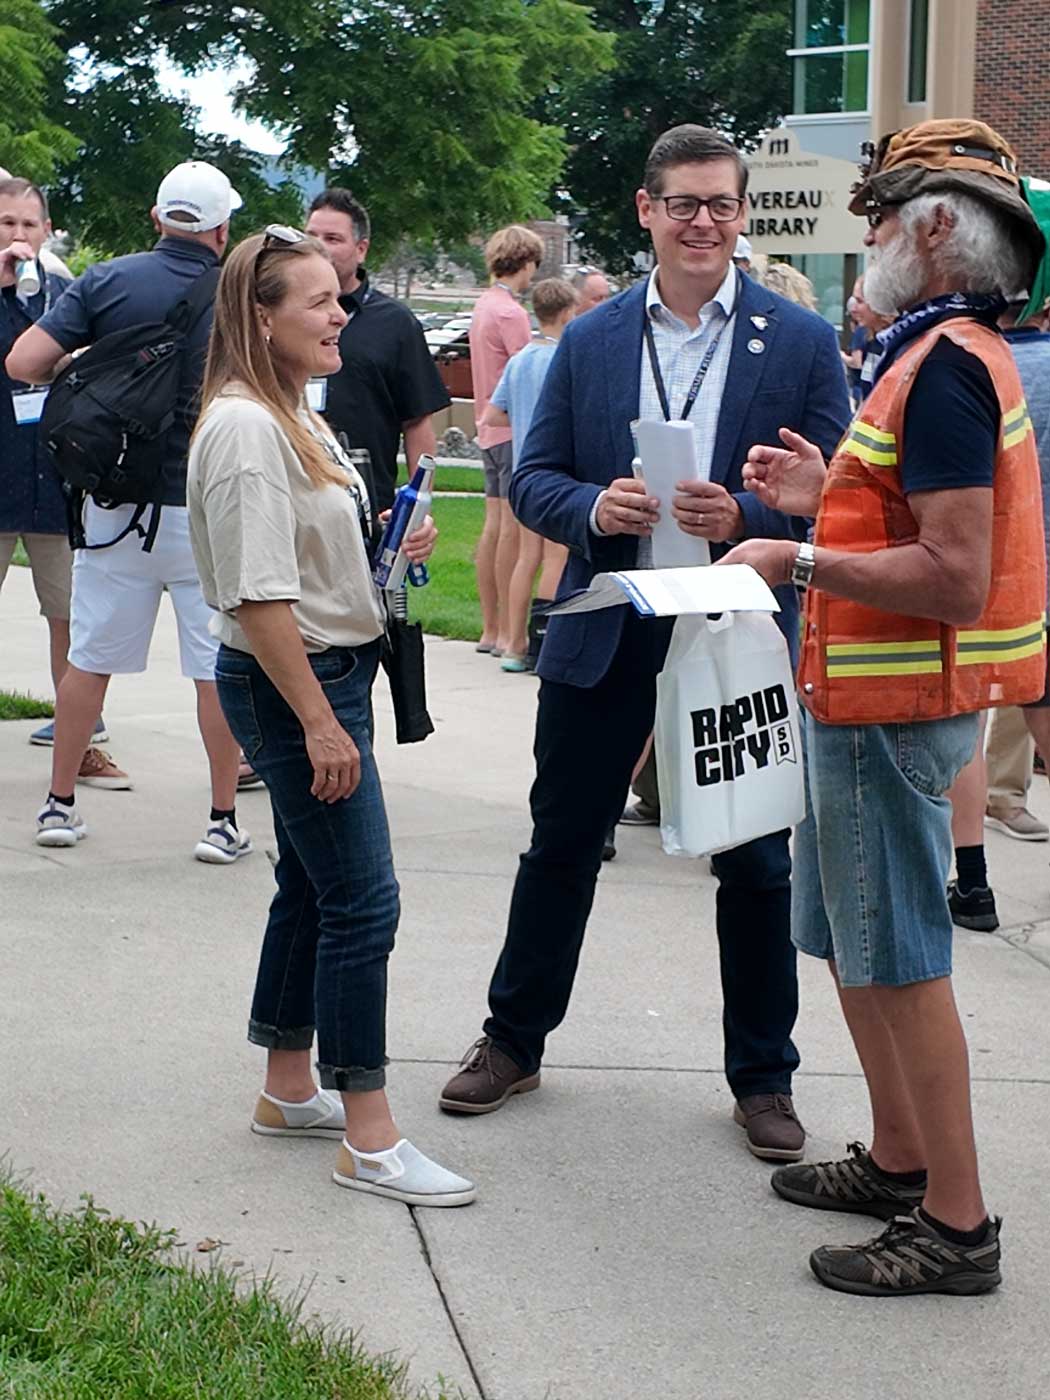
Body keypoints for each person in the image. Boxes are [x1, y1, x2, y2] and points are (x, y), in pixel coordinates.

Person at [439, 125, 851, 1165]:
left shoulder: (796, 342)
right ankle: (515, 1038)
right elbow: (532, 479)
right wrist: (595, 506)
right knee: (564, 836)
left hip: (735, 626)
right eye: (684, 203)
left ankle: (764, 1075)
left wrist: (747, 507)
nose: (703, 221)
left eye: (720, 203)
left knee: (755, 855)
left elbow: (839, 493)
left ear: (743, 212)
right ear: (646, 211)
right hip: (612, 612)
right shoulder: (591, 337)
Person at [727, 119, 1045, 1296]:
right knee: (860, 947)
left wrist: (790, 558)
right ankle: (902, 1160)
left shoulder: (946, 364)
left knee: (905, 963)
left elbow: (954, 573)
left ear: (938, 228)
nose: (865, 235)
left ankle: (955, 1227)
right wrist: (823, 501)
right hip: (867, 712)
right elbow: (914, 531)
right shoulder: (936, 354)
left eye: (882, 214)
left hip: (893, 718)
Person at [187, 226, 474, 1207]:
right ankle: (371, 1133)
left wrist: (383, 544)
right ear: (259, 319)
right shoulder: (244, 429)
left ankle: (287, 1086)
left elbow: (301, 557)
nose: (340, 312)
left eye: (337, 295)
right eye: (316, 301)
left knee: (312, 890)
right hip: (295, 680)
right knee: (364, 901)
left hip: (322, 669)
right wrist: (320, 722)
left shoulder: (286, 411)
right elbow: (261, 598)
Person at [7, 161, 249, 862]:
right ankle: (221, 818)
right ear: (220, 226)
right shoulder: (236, 293)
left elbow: (24, 361)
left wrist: (88, 363)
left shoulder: (107, 280)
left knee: (88, 660)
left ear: (157, 217)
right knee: (213, 667)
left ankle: (59, 805)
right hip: (202, 502)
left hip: (113, 503)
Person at [946, 185, 1050, 932]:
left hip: (992, 569)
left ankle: (973, 882)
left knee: (965, 724)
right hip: (1037, 568)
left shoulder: (967, 361)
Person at [0, 176, 118, 778]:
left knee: (69, 614)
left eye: (28, 224)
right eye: (6, 224)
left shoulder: (65, 294)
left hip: (54, 481)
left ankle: (79, 740)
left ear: (46, 231)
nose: (19, 236)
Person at [303, 188, 450, 515]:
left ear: (361, 249)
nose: (319, 247)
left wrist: (418, 509)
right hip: (290, 498)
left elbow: (418, 423)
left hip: (366, 505)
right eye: (311, 236)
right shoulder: (283, 314)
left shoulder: (396, 324)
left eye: (332, 238)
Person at [480, 277, 577, 672]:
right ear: (568, 312)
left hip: (521, 470)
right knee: (557, 555)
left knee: (526, 556)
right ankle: (544, 643)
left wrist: (524, 418)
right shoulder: (562, 358)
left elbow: (493, 413)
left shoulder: (520, 360)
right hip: (556, 470)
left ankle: (513, 642)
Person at [470, 225, 544, 657]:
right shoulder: (512, 314)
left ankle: (488, 626)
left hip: (486, 430)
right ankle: (504, 633)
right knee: (513, 534)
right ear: (526, 262)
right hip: (513, 430)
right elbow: (527, 368)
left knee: (493, 526)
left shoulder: (483, 305)